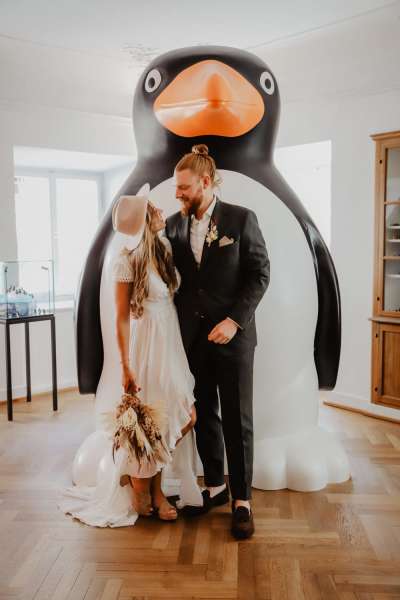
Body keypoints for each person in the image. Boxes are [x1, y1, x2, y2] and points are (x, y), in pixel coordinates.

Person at [58, 195, 203, 527]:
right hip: (146, 346)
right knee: (149, 423)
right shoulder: (125, 261)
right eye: (152, 209)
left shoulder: (163, 248)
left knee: (183, 416)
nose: (160, 210)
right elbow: (121, 319)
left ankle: (142, 482)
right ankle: (150, 490)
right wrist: (126, 366)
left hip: (169, 344)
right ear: (144, 221)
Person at [165, 144, 270, 539]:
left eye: (184, 187)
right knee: (205, 413)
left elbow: (259, 274)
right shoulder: (173, 225)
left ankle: (242, 500)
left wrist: (234, 321)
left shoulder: (241, 220)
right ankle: (215, 486)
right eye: (177, 187)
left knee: (238, 418)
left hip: (234, 338)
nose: (177, 193)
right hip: (192, 340)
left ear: (206, 183)